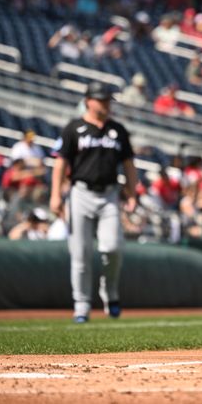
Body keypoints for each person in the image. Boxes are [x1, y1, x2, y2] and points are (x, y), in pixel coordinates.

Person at [50, 81, 137, 323]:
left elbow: (129, 163)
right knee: (80, 253)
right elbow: (60, 163)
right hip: (80, 193)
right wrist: (55, 195)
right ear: (88, 100)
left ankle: (110, 292)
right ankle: (82, 305)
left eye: (108, 100)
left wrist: (132, 192)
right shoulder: (73, 128)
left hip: (109, 195)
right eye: (102, 99)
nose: (106, 104)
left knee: (113, 248)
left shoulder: (118, 130)